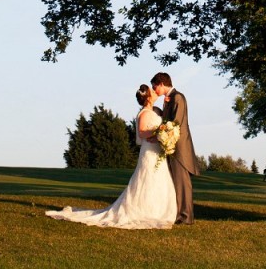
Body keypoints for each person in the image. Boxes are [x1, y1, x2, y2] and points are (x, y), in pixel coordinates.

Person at [45, 84, 177, 229]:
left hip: (156, 151)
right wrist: (159, 133)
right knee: (147, 179)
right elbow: (141, 133)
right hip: (149, 152)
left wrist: (164, 134)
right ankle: (144, 211)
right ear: (148, 97)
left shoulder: (151, 112)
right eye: (152, 91)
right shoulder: (145, 113)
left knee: (157, 180)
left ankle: (157, 211)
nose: (154, 92)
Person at [151, 71, 200, 224]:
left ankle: (186, 217)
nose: (154, 91)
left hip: (179, 147)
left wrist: (163, 136)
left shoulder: (178, 97)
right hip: (172, 147)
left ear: (161, 84)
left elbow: (175, 123)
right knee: (176, 182)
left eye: (154, 87)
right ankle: (178, 214)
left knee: (182, 183)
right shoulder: (168, 100)